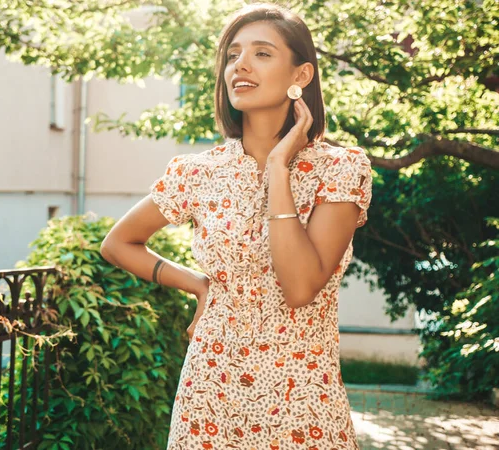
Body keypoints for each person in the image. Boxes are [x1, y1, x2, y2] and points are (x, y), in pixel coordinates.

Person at [100, 2, 372, 449]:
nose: (240, 65)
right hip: (209, 393)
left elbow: (300, 286)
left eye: (262, 54)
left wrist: (280, 167)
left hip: (300, 397)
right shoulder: (199, 171)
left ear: (301, 76)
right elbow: (119, 243)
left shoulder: (340, 170)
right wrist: (198, 285)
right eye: (232, 55)